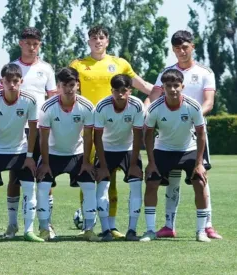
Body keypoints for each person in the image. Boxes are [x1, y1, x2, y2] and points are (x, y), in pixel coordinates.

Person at [69, 25, 153, 238]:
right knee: (87, 175)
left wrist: (160, 92)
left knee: (111, 178)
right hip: (87, 128)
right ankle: (89, 226)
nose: (98, 41)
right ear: (88, 41)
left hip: (115, 128)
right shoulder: (78, 64)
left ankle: (111, 226)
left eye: (102, 37)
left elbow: (141, 85)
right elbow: (66, 89)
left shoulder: (119, 63)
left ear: (107, 41)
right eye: (94, 38)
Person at [147, 30, 221, 239]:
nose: (181, 50)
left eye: (185, 46)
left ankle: (207, 225)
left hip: (195, 134)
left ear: (192, 47)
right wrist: (144, 116)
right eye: (177, 47)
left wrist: (190, 116)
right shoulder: (167, 72)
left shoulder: (205, 72)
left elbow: (209, 102)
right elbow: (153, 98)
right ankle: (169, 225)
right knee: (171, 180)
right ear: (173, 49)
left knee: (200, 178)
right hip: (169, 135)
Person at [0, 27, 57, 239]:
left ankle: (45, 225)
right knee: (15, 176)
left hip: (41, 129)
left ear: (39, 45)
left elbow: (52, 98)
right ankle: (12, 225)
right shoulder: (11, 68)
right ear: (20, 43)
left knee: (44, 176)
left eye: (35, 43)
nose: (32, 47)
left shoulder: (46, 69)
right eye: (28, 43)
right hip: (17, 128)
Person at [141, 69, 210, 242]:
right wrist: (151, 162)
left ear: (182, 86)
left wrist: (199, 163)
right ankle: (150, 230)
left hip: (188, 149)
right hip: (163, 149)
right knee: (151, 182)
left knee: (200, 182)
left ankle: (201, 231)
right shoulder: (155, 108)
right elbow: (148, 134)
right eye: (168, 86)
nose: (172, 89)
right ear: (163, 87)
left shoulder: (193, 105)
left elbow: (201, 134)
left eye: (176, 86)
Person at [0, 63, 43, 243]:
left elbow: (33, 129)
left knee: (30, 189)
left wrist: (30, 157)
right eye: (8, 81)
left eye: (16, 81)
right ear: (2, 81)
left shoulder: (29, 100)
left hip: (20, 150)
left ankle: (29, 231)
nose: (12, 85)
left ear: (21, 81)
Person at [36, 67, 99, 241]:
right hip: (52, 154)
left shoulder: (87, 106)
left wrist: (86, 162)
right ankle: (45, 228)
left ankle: (89, 229)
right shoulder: (47, 107)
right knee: (42, 187)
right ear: (58, 86)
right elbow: (43, 137)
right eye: (65, 85)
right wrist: (46, 163)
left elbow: (88, 136)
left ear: (77, 85)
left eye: (72, 84)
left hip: (77, 154)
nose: (69, 89)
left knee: (89, 187)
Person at [93, 74, 144, 241]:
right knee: (102, 189)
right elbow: (97, 137)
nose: (120, 94)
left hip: (128, 149)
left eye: (124, 90)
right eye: (116, 91)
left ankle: (132, 231)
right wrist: (102, 165)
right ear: (111, 91)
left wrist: (135, 162)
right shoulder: (101, 107)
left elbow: (138, 135)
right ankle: (106, 230)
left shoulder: (137, 105)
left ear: (130, 91)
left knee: (136, 187)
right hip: (106, 150)